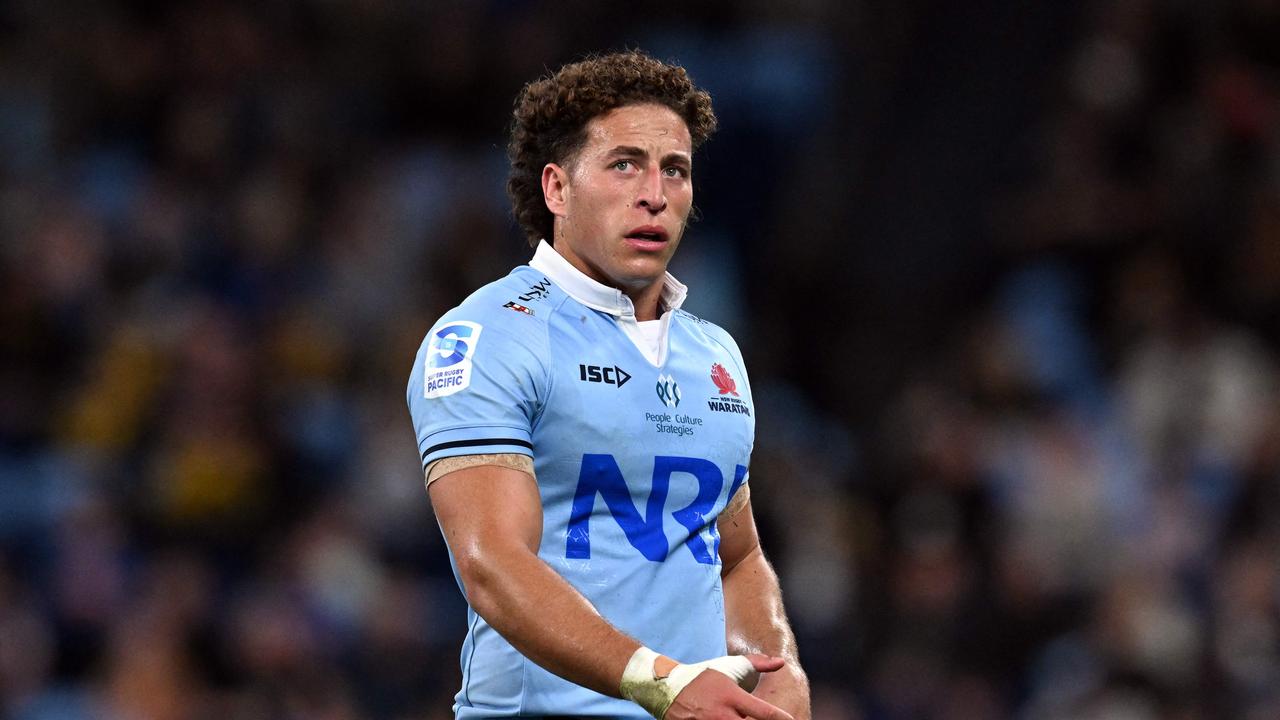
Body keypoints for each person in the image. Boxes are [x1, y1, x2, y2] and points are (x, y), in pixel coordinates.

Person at [406, 50, 810, 719]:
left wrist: (780, 673)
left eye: (674, 170)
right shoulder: (487, 336)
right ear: (557, 189)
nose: (655, 192)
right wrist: (659, 683)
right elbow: (491, 563)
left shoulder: (716, 354)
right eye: (624, 164)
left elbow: (736, 556)